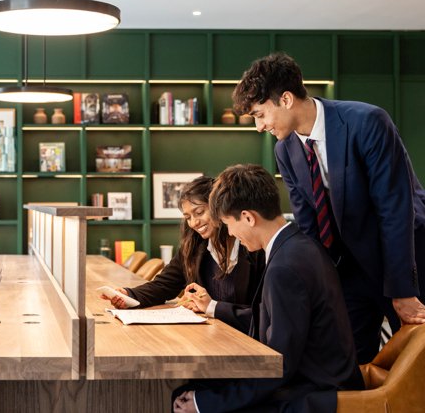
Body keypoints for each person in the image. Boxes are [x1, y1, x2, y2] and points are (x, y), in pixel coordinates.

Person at [232, 52, 425, 363]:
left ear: (285, 99)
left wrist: (403, 290)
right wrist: (320, 287)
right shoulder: (286, 149)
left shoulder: (367, 122)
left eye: (260, 114)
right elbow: (309, 226)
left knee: (416, 367)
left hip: (403, 259)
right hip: (348, 270)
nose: (259, 126)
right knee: (349, 365)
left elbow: (395, 211)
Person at [173, 164, 363, 413]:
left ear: (248, 217)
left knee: (186, 398)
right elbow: (273, 320)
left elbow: (278, 366)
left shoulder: (284, 267)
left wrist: (204, 403)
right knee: (191, 389)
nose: (230, 232)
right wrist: (213, 308)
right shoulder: (299, 246)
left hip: (314, 392)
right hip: (315, 378)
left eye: (229, 224)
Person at [100, 175, 266, 333]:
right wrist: (129, 295)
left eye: (199, 212)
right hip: (212, 335)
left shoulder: (254, 249)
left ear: (219, 207)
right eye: (188, 217)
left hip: (248, 340)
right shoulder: (193, 249)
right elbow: (163, 286)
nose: (194, 223)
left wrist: (211, 306)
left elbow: (264, 315)